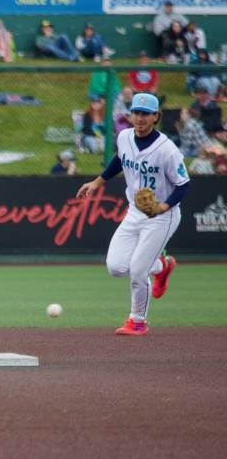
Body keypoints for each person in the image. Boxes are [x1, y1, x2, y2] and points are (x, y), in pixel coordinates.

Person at [75, 93, 190, 336]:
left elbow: (183, 185)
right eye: (136, 112)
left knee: (138, 271)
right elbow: (120, 160)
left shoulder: (167, 150)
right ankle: (161, 266)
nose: (139, 118)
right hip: (135, 212)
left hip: (162, 217)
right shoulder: (125, 136)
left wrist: (163, 207)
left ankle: (138, 321)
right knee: (115, 267)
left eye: (145, 114)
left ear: (156, 117)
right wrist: (97, 182)